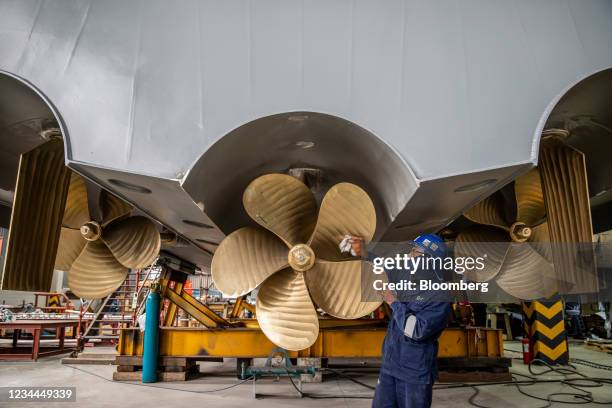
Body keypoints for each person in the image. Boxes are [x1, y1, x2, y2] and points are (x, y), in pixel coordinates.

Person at [349, 234, 451, 408]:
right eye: (412, 251)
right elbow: (386, 269)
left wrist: (393, 302)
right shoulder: (408, 277)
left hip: (415, 373)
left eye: (416, 253)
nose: (410, 256)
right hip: (391, 364)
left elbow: (416, 330)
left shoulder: (440, 297)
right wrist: (364, 253)